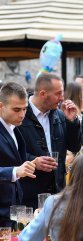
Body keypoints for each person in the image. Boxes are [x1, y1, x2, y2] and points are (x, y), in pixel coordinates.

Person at [18, 73, 82, 210]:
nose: (62, 98)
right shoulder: (20, 116)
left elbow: (75, 146)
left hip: (57, 192)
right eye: (58, 94)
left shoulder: (59, 115)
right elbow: (11, 154)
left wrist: (72, 121)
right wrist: (34, 161)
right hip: (29, 195)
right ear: (42, 94)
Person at [0, 82, 36, 226]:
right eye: (16, 109)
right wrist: (15, 171)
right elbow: (14, 168)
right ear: (1, 106)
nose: (22, 114)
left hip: (13, 209)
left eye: (25, 109)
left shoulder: (13, 127)